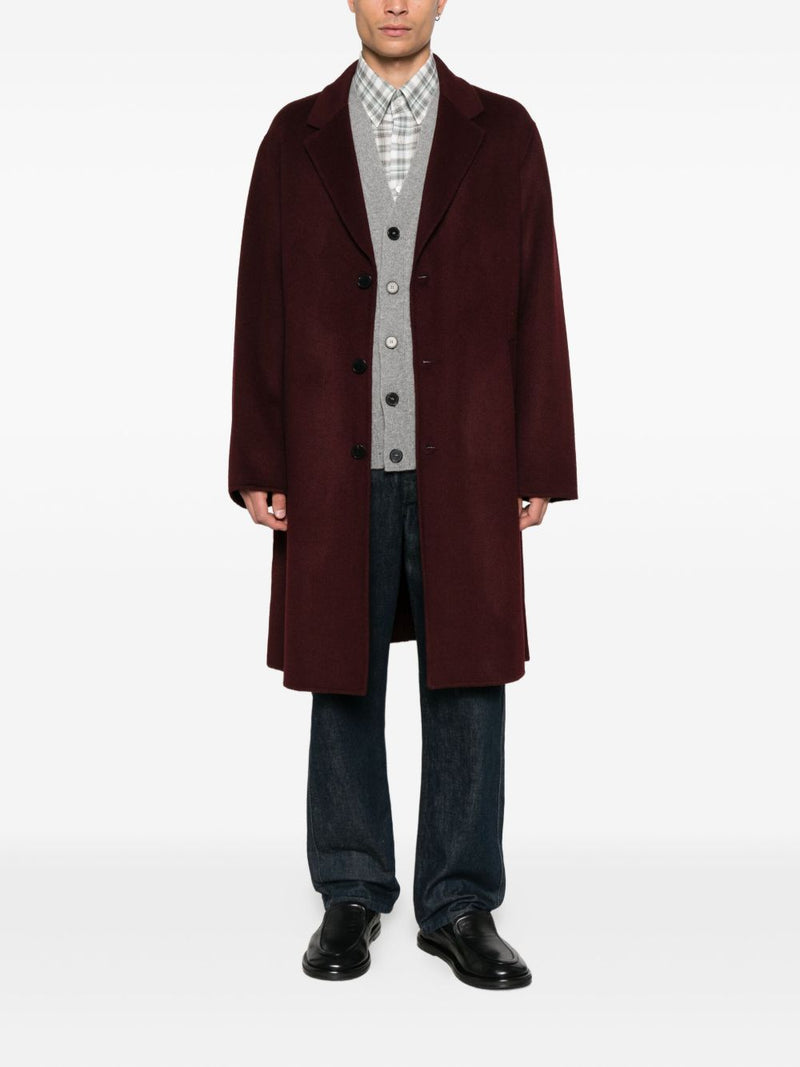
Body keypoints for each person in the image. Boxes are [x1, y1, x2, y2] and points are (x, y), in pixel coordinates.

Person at [227, 0, 577, 990]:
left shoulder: (504, 134)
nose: (394, 3)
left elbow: (536, 297)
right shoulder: (292, 139)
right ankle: (350, 887)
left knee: (468, 675)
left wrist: (538, 459)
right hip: (328, 460)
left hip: (467, 455)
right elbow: (260, 300)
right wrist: (259, 452)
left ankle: (459, 902)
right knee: (341, 673)